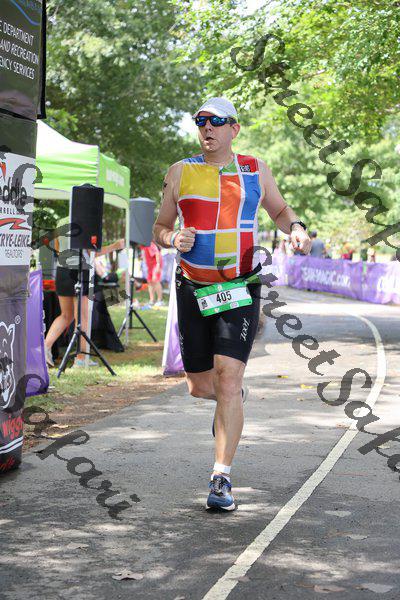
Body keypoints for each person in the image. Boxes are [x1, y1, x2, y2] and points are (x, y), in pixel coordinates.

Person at [153, 96, 311, 511]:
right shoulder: (180, 171)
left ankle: (220, 477)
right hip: (193, 286)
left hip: (240, 285)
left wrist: (295, 227)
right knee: (199, 386)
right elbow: (160, 226)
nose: (207, 128)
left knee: (227, 378)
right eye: (200, 121)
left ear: (234, 129)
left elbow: (279, 209)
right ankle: (232, 399)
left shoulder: (254, 169)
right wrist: (172, 238)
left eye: (216, 121)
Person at [44, 215, 124, 368]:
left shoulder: (62, 221)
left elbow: (58, 248)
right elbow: (92, 252)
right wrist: (115, 246)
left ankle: (45, 348)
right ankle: (80, 359)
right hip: (80, 271)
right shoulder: (87, 221)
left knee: (66, 315)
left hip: (62, 272)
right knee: (83, 317)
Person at [140, 240, 164, 307]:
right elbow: (144, 255)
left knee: (155, 281)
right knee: (149, 282)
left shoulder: (150, 244)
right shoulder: (143, 245)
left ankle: (160, 300)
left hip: (155, 265)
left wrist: (158, 265)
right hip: (149, 266)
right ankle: (152, 300)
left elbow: (157, 253)